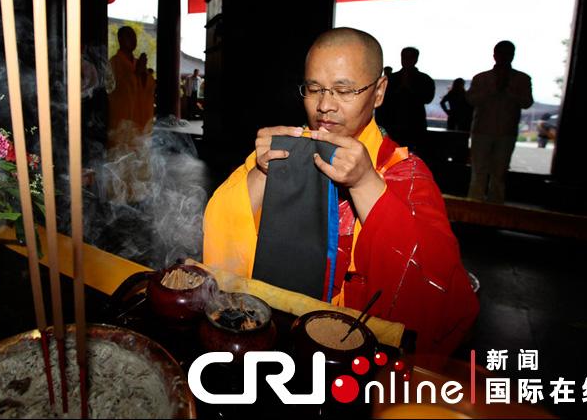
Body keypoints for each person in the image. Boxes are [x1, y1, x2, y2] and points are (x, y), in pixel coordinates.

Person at [202, 27, 478, 359]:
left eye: (344, 91)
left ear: (378, 92)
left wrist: (365, 184)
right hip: (273, 339)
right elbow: (222, 224)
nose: (325, 106)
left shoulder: (403, 172)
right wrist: (262, 173)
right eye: (314, 89)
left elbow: (436, 290)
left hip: (355, 353)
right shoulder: (286, 150)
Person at [466, 40, 533, 203]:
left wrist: (509, 92)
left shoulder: (522, 79)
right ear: (494, 55)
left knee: (499, 173)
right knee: (478, 172)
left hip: (506, 132)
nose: (503, 57)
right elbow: (470, 99)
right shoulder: (482, 78)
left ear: (513, 56)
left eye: (507, 53)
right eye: (500, 53)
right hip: (482, 131)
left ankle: (495, 210)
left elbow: (527, 102)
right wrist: (492, 90)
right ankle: (473, 208)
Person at [382, 47, 435, 154]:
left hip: (415, 125)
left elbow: (428, 98)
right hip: (394, 125)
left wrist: (410, 89)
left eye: (409, 57)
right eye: (404, 57)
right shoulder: (392, 79)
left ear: (415, 59)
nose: (406, 60)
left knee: (413, 158)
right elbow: (383, 101)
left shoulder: (424, 79)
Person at [107, 26, 140, 148]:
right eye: (129, 36)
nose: (133, 40)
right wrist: (137, 74)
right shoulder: (113, 62)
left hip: (138, 117)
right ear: (120, 39)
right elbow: (112, 89)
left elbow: (148, 87)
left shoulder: (138, 63)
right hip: (121, 117)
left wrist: (142, 74)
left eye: (134, 37)